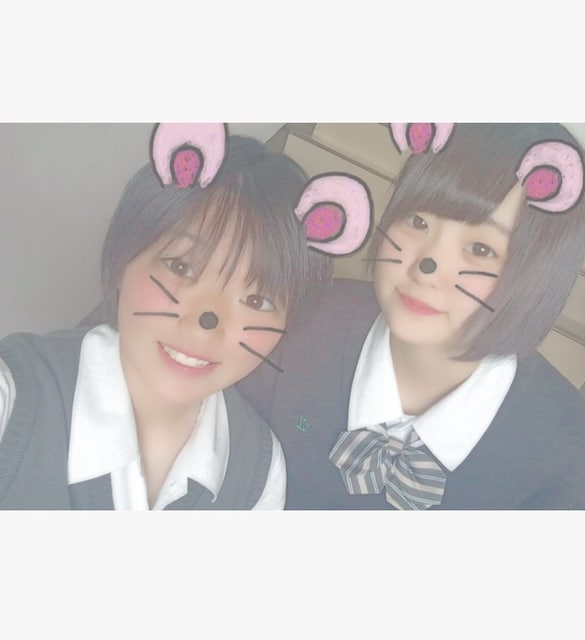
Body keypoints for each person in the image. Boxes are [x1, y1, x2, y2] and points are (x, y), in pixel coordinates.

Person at [237, 122, 585, 509]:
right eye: (418, 222)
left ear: (538, 274)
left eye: (480, 249)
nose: (427, 267)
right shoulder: (300, 322)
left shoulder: (565, 457)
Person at [0, 123, 372, 510]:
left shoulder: (259, 473)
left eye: (257, 299)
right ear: (124, 257)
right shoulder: (16, 397)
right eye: (181, 267)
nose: (206, 323)